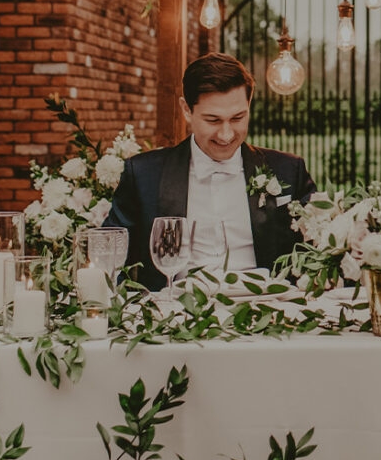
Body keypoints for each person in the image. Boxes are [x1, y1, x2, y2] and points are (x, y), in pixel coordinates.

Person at [106, 53, 315, 290]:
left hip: (269, 311)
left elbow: (318, 251)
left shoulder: (287, 171)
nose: (226, 135)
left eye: (237, 118)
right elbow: (108, 257)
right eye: (213, 120)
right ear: (187, 110)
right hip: (175, 316)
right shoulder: (144, 175)